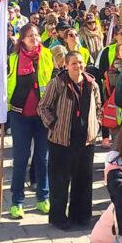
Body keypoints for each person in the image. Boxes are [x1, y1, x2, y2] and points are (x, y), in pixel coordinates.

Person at [39, 50, 102, 230]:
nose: (78, 66)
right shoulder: (57, 83)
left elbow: (98, 106)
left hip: (86, 140)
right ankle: (59, 217)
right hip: (62, 140)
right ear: (66, 65)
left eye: (81, 63)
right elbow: (43, 107)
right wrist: (53, 125)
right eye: (74, 63)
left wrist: (95, 124)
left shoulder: (92, 84)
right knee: (60, 180)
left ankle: (81, 216)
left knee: (83, 179)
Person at [5, 23, 54, 218]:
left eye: (36, 35)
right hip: (19, 115)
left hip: (42, 116)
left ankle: (43, 198)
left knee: (42, 159)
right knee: (20, 159)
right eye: (29, 36)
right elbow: (6, 84)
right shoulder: (13, 58)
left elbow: (54, 80)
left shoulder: (48, 55)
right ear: (22, 39)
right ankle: (17, 201)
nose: (34, 38)